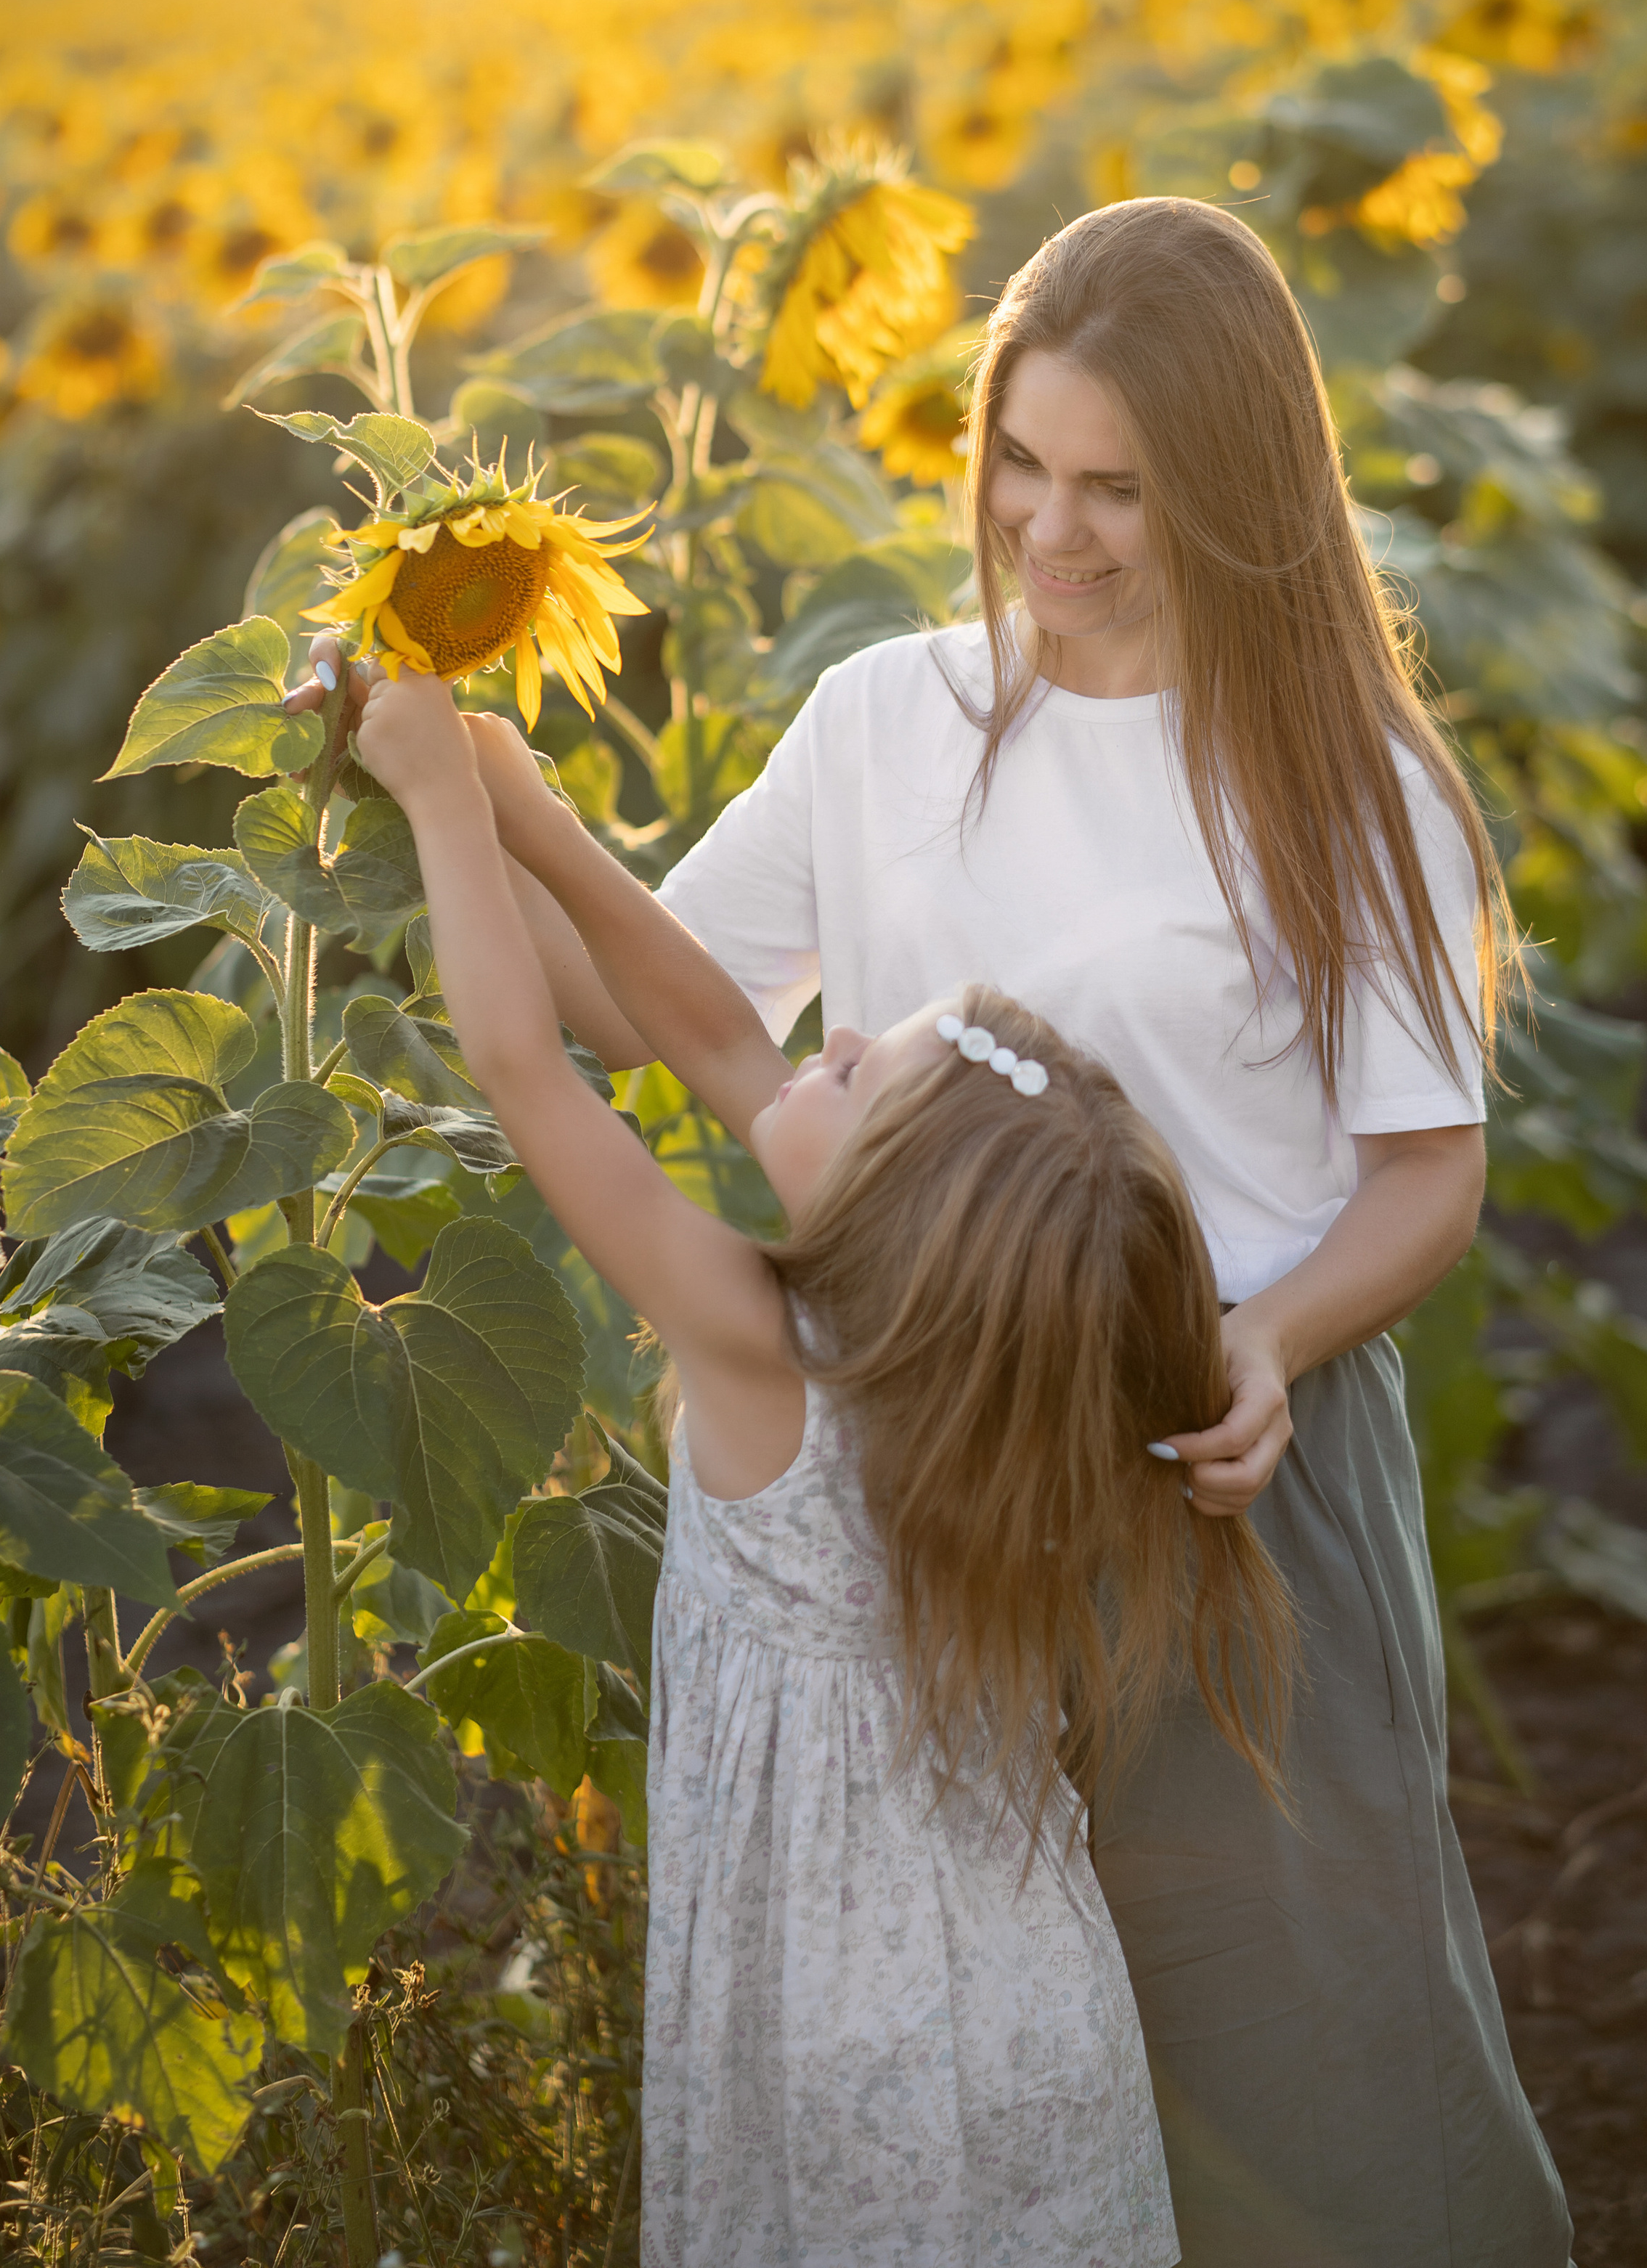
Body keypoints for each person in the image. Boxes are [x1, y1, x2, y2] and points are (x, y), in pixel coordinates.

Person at [353, 661, 1296, 2268]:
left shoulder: (751, 1346)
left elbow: (525, 1070)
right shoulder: (999, 1382)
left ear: (887, 1206)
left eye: (857, 1069)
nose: (831, 1036)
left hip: (829, 2033)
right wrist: (535, 815)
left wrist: (441, 803)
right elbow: (719, 1025)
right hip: (1026, 2007)